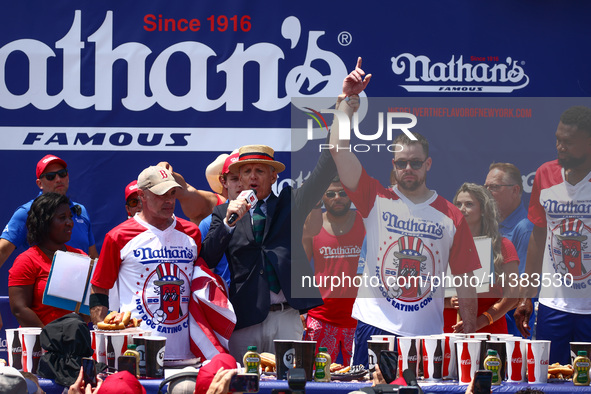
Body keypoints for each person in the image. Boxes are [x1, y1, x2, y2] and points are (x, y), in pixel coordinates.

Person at [329, 58, 480, 367]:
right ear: (393, 166)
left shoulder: (452, 215)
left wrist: (469, 329)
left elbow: (465, 279)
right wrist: (346, 103)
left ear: (428, 164)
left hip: (425, 336)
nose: (408, 168)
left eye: (415, 162)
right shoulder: (374, 196)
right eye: (401, 163)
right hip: (374, 328)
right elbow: (338, 149)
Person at [200, 143, 336, 361]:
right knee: (244, 384)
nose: (253, 177)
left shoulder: (290, 204)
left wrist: (341, 123)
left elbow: (324, 171)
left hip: (286, 317)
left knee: (291, 383)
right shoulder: (224, 213)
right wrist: (228, 224)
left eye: (260, 171)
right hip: (245, 318)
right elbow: (207, 258)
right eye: (247, 171)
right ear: (240, 178)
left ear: (273, 177)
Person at [89, 166, 201, 361]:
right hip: (135, 351)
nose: (168, 200)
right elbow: (99, 287)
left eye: (172, 193)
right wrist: (103, 338)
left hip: (186, 352)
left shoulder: (192, 233)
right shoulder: (118, 236)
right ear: (142, 195)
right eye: (160, 194)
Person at [515, 105, 591, 365]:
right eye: (558, 139)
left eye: (568, 142)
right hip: (552, 306)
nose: (560, 146)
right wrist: (527, 294)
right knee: (549, 381)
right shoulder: (545, 174)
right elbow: (537, 238)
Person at [302, 176, 365, 366]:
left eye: (343, 193)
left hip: (359, 319)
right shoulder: (312, 226)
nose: (337, 197)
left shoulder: (367, 223)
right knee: (314, 378)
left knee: (362, 379)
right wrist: (298, 309)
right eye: (330, 193)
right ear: (322, 197)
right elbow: (301, 271)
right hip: (320, 318)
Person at [443, 183, 519, 333]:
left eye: (469, 204)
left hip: (489, 331)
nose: (461, 209)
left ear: (483, 210)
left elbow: (513, 296)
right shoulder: (444, 245)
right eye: (458, 204)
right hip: (449, 331)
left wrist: (478, 323)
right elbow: (426, 292)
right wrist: (449, 302)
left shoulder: (502, 246)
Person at [8, 193, 86, 327]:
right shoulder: (26, 261)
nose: (70, 223)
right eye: (62, 218)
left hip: (74, 343)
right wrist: (50, 338)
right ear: (44, 222)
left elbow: (90, 306)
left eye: (70, 217)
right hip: (40, 344)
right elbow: (19, 310)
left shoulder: (81, 257)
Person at [484, 162, 535, 337]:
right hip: (493, 320)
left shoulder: (525, 228)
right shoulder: (491, 227)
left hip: (512, 325)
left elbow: (521, 288)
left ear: (515, 191)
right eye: (486, 187)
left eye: (494, 187)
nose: (486, 192)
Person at [198, 151, 242, 287]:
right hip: (225, 303)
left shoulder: (263, 215)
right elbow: (204, 273)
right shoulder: (207, 223)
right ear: (224, 181)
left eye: (244, 177)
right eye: (235, 179)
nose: (240, 184)